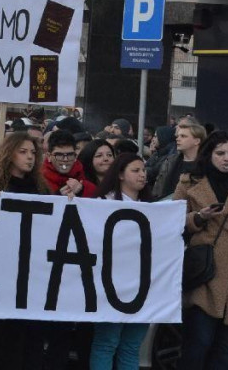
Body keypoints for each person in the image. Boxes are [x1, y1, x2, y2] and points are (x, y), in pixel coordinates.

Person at [0, 132, 48, 369]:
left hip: (28, 277)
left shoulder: (41, 189)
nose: (29, 157)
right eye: (23, 152)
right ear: (9, 153)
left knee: (21, 339)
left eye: (33, 153)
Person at [174, 132, 228, 370]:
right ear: (209, 154)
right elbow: (171, 223)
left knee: (226, 351)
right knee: (198, 345)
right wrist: (198, 218)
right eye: (220, 153)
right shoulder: (189, 182)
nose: (227, 159)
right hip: (204, 275)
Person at [89, 153, 151, 370]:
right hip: (110, 286)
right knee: (107, 342)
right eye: (136, 170)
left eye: (143, 170)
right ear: (121, 175)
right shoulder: (102, 203)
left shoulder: (153, 207)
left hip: (143, 286)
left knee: (131, 345)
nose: (142, 175)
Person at [151, 118, 208, 199]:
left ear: (197, 141)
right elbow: (160, 188)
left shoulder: (207, 165)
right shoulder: (170, 161)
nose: (178, 139)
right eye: (178, 136)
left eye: (183, 136)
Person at [40, 129, 96, 198]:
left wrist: (81, 192)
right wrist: (57, 197)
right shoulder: (39, 181)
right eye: (59, 155)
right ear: (49, 156)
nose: (65, 159)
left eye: (70, 155)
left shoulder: (88, 175)